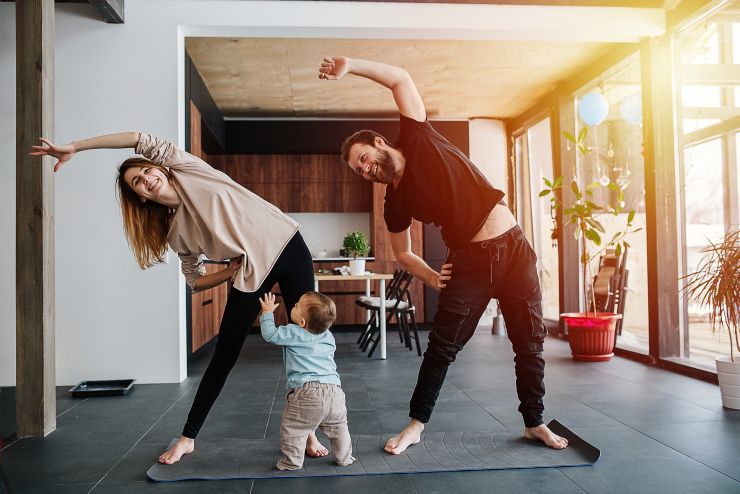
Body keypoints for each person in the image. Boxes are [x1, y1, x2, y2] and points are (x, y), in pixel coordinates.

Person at [318, 56, 569, 454]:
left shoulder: (417, 136)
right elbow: (403, 253)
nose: (364, 170)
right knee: (442, 347)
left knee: (530, 343)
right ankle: (416, 425)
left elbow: (400, 78)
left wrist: (350, 66)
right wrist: (433, 277)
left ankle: (534, 422)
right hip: (470, 261)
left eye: (363, 159)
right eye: (358, 170)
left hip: (516, 250)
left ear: (379, 143)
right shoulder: (394, 203)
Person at [30, 132, 330, 464]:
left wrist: (76, 147)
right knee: (223, 357)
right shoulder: (175, 231)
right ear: (141, 197)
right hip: (250, 273)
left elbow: (136, 136)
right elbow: (195, 280)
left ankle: (307, 429)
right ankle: (188, 438)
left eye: (145, 171)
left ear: (157, 167)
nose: (146, 179)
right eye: (137, 184)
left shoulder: (186, 168)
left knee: (307, 341)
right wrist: (230, 273)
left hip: (288, 245)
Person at [258, 291, 355, 470]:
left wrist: (267, 312)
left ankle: (292, 462)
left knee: (293, 429)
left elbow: (270, 334)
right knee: (339, 428)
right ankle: (344, 457)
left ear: (302, 322)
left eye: (296, 306)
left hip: (307, 392)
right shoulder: (329, 337)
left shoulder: (294, 332)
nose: (293, 305)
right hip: (335, 391)